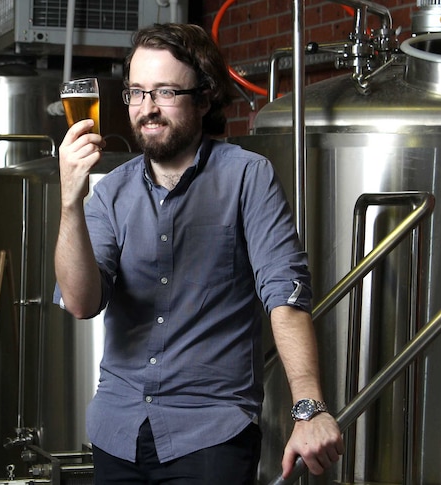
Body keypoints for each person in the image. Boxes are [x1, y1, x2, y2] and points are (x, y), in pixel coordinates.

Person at [53, 23, 344, 484]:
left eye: (165, 91)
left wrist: (309, 409)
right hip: (117, 428)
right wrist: (70, 200)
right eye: (137, 92)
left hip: (211, 435)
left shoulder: (248, 177)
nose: (148, 109)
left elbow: (284, 295)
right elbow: (80, 302)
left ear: (204, 98)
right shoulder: (111, 193)